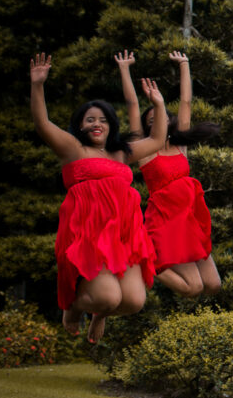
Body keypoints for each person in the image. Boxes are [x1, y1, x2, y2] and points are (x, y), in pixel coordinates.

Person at [29, 53, 167, 342]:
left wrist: (159, 105)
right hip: (88, 236)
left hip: (123, 236)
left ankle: (99, 314)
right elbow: (42, 124)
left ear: (110, 126)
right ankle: (74, 308)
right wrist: (38, 85)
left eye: (103, 120)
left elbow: (156, 140)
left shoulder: (121, 154)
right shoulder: (73, 150)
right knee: (106, 297)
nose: (97, 124)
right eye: (90, 119)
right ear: (80, 125)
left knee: (132, 301)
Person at [117, 50, 221, 297]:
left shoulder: (179, 145)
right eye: (150, 119)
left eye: (159, 116)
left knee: (214, 285)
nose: (154, 120)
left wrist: (185, 64)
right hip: (165, 222)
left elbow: (185, 102)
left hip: (189, 220)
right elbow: (133, 105)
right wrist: (125, 69)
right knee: (193, 287)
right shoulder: (145, 150)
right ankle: (146, 262)